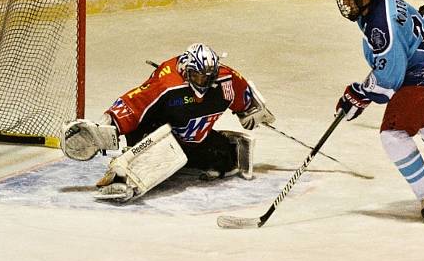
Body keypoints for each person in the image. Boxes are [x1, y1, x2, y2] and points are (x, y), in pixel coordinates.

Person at [59, 43, 275, 203]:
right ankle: (124, 175)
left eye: (208, 77)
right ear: (185, 70)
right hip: (156, 132)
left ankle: (226, 147)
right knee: (157, 155)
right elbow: (132, 104)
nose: (204, 83)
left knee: (223, 160)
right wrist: (103, 129)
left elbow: (247, 98)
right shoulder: (167, 84)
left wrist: (252, 110)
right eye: (198, 77)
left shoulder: (225, 80)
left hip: (192, 137)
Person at [334, 0, 424, 224]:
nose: (346, 2)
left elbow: (389, 80)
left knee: (393, 135)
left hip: (423, 75)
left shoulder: (381, 28)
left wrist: (359, 95)